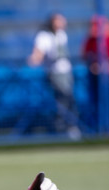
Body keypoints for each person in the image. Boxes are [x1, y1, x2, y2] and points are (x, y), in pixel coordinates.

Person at [27, 12, 81, 140]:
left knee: (69, 100)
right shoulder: (44, 36)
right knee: (62, 100)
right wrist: (34, 59)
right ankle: (62, 128)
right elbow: (38, 53)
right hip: (55, 73)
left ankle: (70, 126)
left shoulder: (62, 35)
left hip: (66, 72)